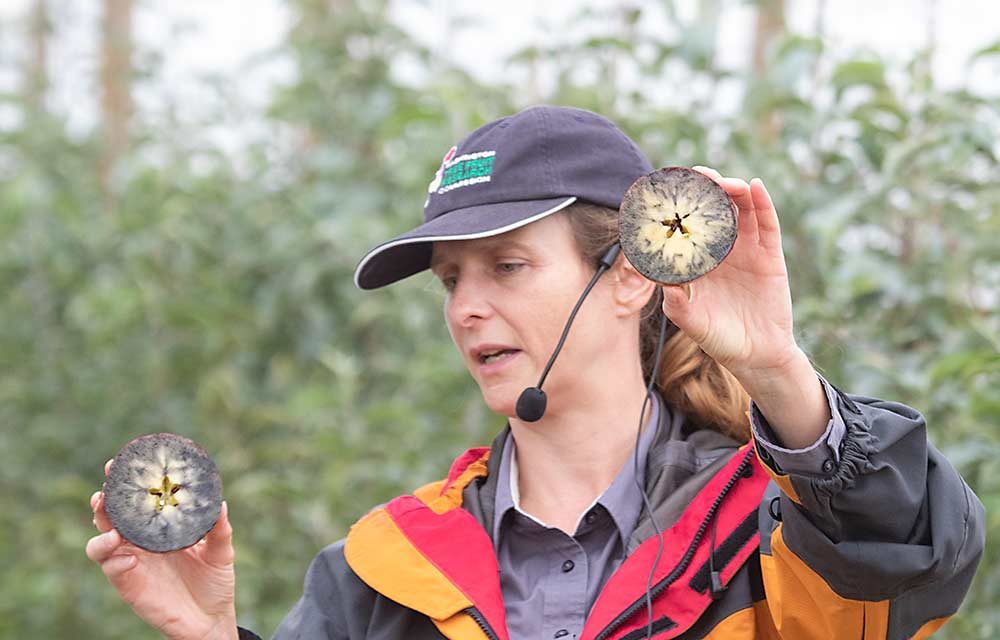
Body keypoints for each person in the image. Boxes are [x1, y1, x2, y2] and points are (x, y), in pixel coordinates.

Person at [86, 105, 985, 640]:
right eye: (450, 280)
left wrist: (778, 370)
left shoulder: (778, 539)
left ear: (632, 271)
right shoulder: (378, 572)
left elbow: (912, 561)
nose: (466, 308)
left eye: (507, 267)